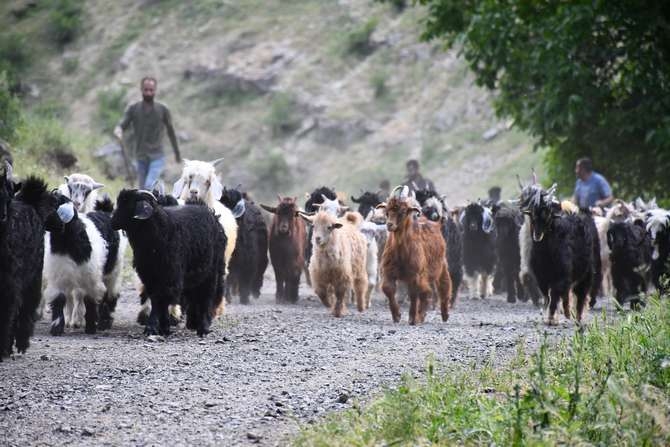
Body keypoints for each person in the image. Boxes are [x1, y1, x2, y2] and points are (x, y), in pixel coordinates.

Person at [114, 76, 181, 190]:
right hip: (141, 156)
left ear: (155, 90)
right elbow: (122, 125)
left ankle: (159, 194)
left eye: (151, 90)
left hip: (157, 156)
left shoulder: (163, 109)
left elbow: (171, 132)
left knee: (149, 185)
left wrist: (177, 153)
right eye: (146, 90)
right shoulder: (134, 109)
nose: (149, 93)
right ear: (141, 90)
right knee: (142, 190)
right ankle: (157, 201)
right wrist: (118, 131)